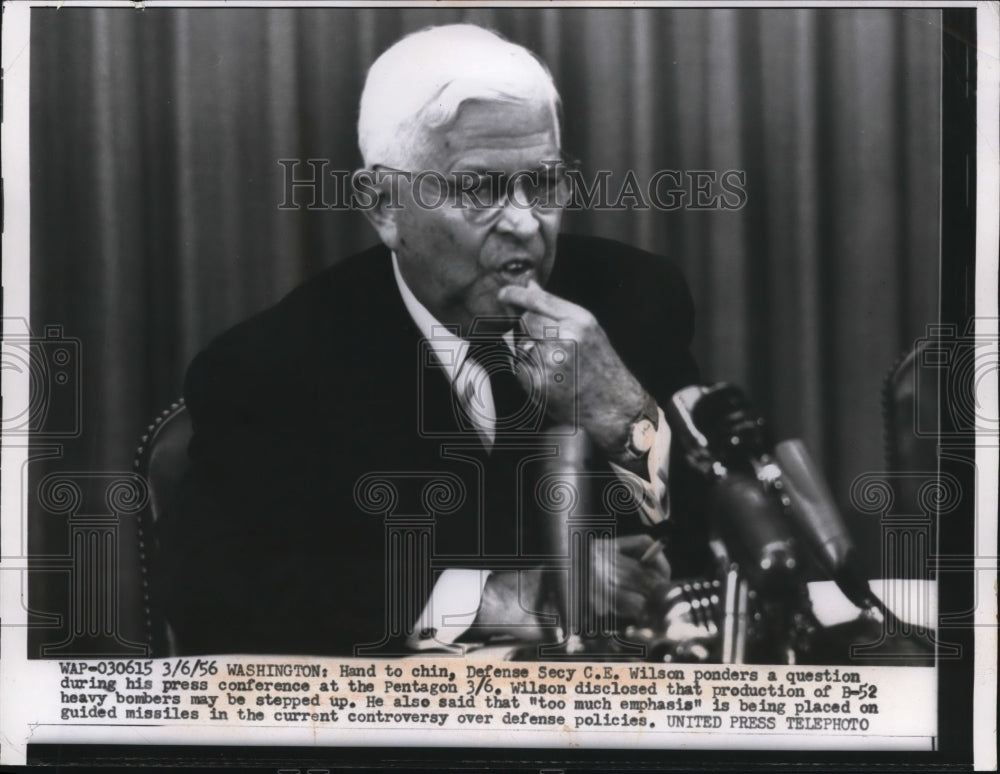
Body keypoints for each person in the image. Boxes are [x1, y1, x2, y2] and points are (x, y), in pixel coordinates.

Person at [155, 24, 705, 656]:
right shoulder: (274, 366)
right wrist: (497, 597)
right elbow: (214, 592)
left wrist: (626, 418)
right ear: (384, 205)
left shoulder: (632, 298)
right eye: (480, 188)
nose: (527, 224)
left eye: (545, 182)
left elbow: (738, 543)